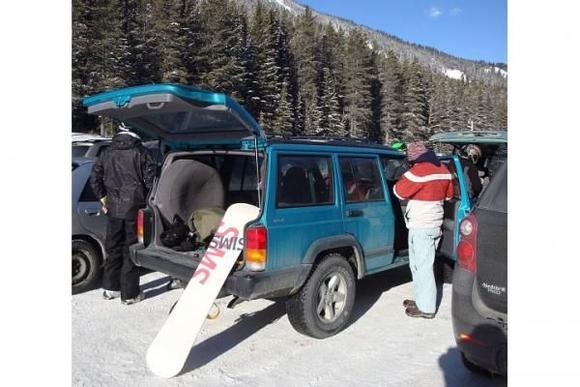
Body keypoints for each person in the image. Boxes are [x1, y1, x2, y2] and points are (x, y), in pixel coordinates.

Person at [90, 123, 155, 305]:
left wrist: (104, 200)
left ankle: (110, 289)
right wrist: (149, 203)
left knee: (113, 248)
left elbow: (94, 178)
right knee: (131, 250)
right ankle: (130, 294)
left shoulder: (106, 152)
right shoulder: (142, 152)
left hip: (113, 209)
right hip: (135, 209)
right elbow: (151, 183)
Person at [393, 141, 454, 318]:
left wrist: (405, 172)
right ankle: (421, 300)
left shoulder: (418, 172)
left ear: (414, 158)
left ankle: (427, 308)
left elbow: (398, 191)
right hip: (433, 224)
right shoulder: (443, 170)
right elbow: (450, 196)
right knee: (419, 265)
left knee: (423, 266)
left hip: (422, 225)